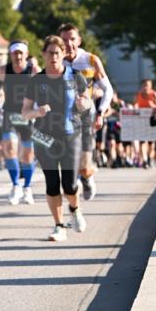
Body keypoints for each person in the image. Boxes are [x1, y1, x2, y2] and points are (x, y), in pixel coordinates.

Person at [21, 35, 91, 242]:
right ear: (43, 54)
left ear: (63, 55)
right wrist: (37, 112)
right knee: (52, 183)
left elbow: (86, 103)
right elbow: (24, 112)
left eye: (57, 53)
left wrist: (82, 104)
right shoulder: (36, 81)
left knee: (69, 184)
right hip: (43, 136)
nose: (54, 57)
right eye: (50, 53)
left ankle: (75, 208)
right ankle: (59, 225)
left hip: (70, 134)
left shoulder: (75, 76)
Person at [58, 23, 113, 199]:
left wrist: (100, 112)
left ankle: (87, 176)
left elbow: (108, 90)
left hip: (86, 116)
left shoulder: (91, 60)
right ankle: (73, 192)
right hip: (62, 117)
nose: (68, 44)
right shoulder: (55, 61)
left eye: (72, 39)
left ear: (79, 40)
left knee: (85, 162)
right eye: (64, 40)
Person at [0, 41, 36, 205]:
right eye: (15, 53)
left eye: (21, 53)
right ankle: (15, 185)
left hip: (28, 114)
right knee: (10, 148)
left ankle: (27, 188)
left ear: (26, 54)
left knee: (27, 154)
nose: (18, 56)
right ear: (10, 54)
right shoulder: (3, 70)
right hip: (10, 113)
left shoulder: (33, 70)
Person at [134, 79, 156, 169]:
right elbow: (135, 105)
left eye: (147, 85)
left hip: (152, 121)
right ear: (142, 86)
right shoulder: (138, 95)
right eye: (144, 85)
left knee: (151, 143)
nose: (145, 87)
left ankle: (150, 159)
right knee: (142, 141)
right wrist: (135, 108)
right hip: (142, 122)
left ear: (151, 86)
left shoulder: (154, 94)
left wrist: (153, 106)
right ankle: (145, 160)